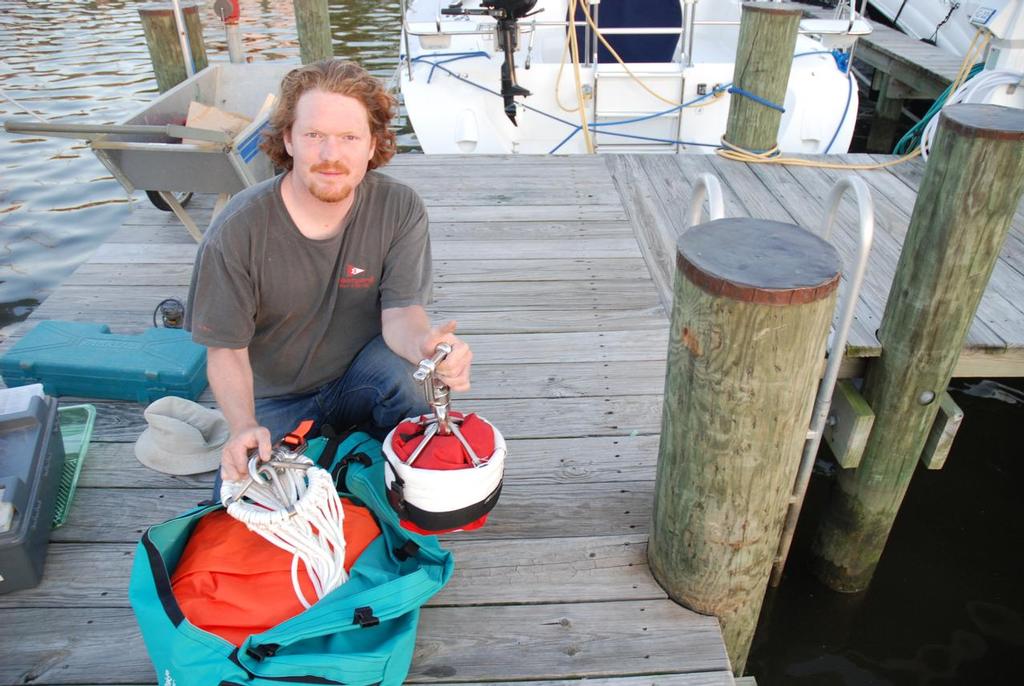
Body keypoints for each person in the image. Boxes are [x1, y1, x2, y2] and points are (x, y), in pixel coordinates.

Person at [185, 59, 472, 486]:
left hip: (361, 375)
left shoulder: (399, 208)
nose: (330, 155)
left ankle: (399, 475)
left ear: (373, 145)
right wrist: (243, 424)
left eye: (349, 137)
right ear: (289, 139)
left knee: (412, 383)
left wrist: (427, 348)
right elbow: (226, 351)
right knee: (247, 494)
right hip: (277, 399)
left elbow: (401, 313)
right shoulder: (237, 229)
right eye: (314, 135)